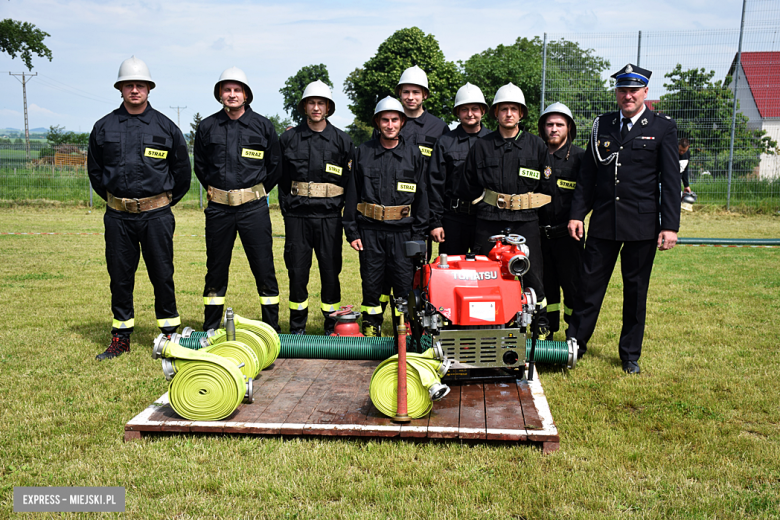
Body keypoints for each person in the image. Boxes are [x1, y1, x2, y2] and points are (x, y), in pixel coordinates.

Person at [567, 64, 680, 374]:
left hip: (642, 226)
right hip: (603, 223)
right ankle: (574, 344)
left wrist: (669, 225)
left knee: (635, 292)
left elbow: (670, 181)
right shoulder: (601, 125)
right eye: (622, 89)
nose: (627, 95)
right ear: (616, 92)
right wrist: (578, 214)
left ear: (645, 92)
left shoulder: (662, 127)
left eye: (633, 90)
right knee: (588, 288)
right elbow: (587, 176)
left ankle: (630, 354)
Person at [87, 56, 191, 361]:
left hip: (157, 215)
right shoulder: (104, 127)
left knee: (162, 273)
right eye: (129, 85)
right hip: (118, 215)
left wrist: (161, 203)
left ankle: (170, 334)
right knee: (120, 276)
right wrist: (115, 201)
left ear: (149, 88)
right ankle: (121, 337)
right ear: (120, 89)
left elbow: (182, 173)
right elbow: (95, 172)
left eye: (140, 85)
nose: (135, 89)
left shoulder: (166, 127)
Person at [458, 83, 550, 337]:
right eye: (503, 109)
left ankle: (539, 326)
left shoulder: (536, 146)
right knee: (486, 274)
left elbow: (546, 186)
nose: (509, 114)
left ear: (521, 114)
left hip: (526, 222)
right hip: (489, 220)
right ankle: (486, 325)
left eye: (514, 109)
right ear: (495, 113)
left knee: (532, 275)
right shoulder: (482, 146)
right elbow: (466, 185)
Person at [194, 67, 282, 332]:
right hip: (219, 210)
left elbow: (275, 166)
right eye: (227, 89)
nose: (232, 94)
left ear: (246, 95)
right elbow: (200, 166)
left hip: (253, 210)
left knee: (264, 267)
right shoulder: (208, 126)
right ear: (220, 94)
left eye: (237, 90)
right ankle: (210, 327)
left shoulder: (263, 126)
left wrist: (255, 193)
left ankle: (271, 328)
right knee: (216, 269)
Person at [343, 96, 428, 337]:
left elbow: (422, 197)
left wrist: (419, 236)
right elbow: (352, 195)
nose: (389, 125)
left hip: (403, 233)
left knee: (404, 287)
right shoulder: (363, 153)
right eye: (385, 120)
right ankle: (372, 334)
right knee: (372, 285)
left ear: (402, 122)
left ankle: (406, 337)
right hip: (370, 232)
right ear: (377, 122)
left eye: (394, 120)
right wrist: (352, 232)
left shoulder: (414, 155)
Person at [278, 80, 354, 335]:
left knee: (330, 272)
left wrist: (344, 215)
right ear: (304, 106)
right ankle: (297, 327)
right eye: (311, 102)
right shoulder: (288, 139)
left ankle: (331, 325)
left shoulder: (342, 141)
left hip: (329, 218)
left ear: (329, 107)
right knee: (297, 272)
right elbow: (281, 179)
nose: (316, 107)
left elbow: (349, 183)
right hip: (297, 218)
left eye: (321, 103)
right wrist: (288, 212)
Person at [537, 103, 585, 338]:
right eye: (549, 124)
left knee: (573, 286)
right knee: (543, 288)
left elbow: (586, 194)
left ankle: (574, 333)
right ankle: (546, 330)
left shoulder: (580, 158)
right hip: (539, 236)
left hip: (569, 238)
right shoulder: (535, 154)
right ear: (542, 127)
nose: (554, 129)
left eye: (559, 125)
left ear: (569, 128)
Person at [428, 83, 491, 255]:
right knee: (452, 273)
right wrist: (436, 222)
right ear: (457, 112)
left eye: (475, 109)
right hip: (453, 219)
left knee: (485, 272)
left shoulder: (494, 141)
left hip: (486, 219)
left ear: (483, 111)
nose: (470, 114)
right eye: (464, 109)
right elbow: (435, 184)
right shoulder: (445, 142)